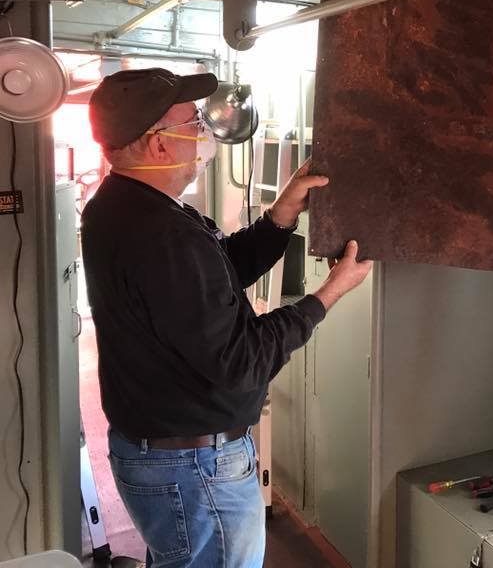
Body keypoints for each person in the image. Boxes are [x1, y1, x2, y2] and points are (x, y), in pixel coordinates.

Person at [81, 68, 372, 568]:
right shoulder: (159, 234)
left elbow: (215, 276)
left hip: (166, 456)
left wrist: (281, 214)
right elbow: (241, 361)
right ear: (158, 145)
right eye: (192, 121)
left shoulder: (126, 207)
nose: (202, 130)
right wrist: (328, 295)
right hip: (194, 468)